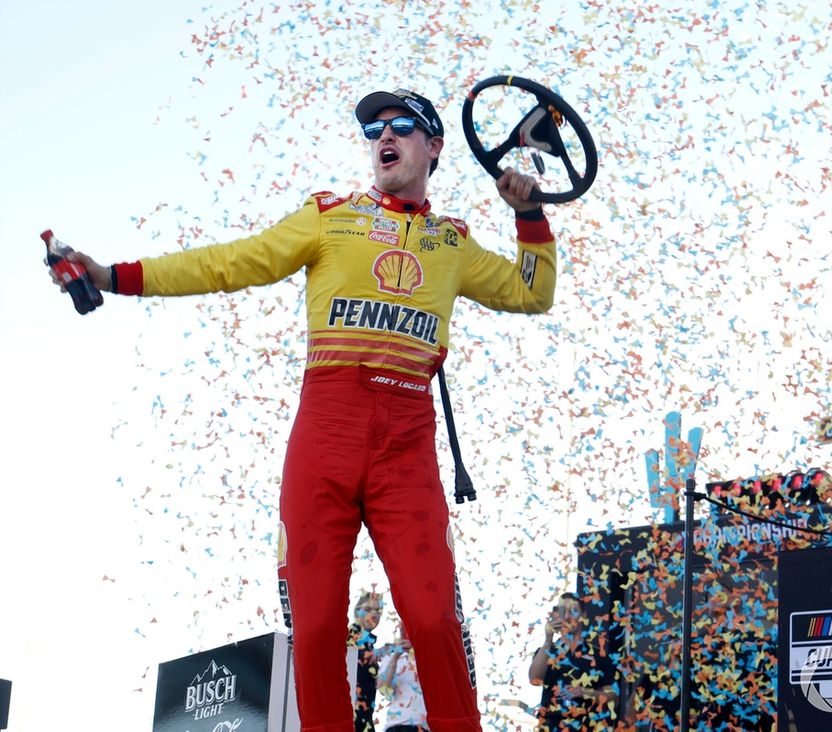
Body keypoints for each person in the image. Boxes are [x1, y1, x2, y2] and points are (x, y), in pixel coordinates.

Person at [48, 88, 556, 732]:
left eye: (401, 126)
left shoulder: (451, 243)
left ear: (433, 147)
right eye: (373, 129)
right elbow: (231, 263)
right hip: (325, 438)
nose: (383, 136)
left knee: (433, 620)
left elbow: (531, 293)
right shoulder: (328, 216)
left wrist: (531, 219)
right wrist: (114, 274)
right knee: (314, 627)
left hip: (406, 445)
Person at [528, 593, 619, 730]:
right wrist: (548, 640)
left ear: (583, 615)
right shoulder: (548, 651)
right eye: (563, 611)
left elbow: (614, 697)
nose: (567, 616)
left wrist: (585, 692)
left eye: (573, 611)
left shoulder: (598, 656)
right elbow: (535, 678)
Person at [378, 623, 429, 732]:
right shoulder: (391, 657)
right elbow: (383, 690)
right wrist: (395, 657)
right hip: (398, 724)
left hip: (425, 726)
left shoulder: (430, 657)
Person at [349, 591, 385, 732]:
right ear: (357, 612)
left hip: (365, 721)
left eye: (378, 610)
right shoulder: (350, 636)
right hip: (350, 718)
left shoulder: (370, 644)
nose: (374, 614)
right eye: (368, 609)